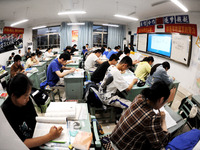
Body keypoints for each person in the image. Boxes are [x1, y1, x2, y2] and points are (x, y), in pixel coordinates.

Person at [1, 73, 63, 149]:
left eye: (28, 95)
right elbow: (22, 143)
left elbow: (35, 121)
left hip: (35, 137)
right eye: (25, 96)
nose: (28, 99)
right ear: (14, 96)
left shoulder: (26, 101)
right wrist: (50, 136)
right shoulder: (5, 113)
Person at [110, 81, 176, 150]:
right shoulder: (151, 118)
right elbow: (161, 143)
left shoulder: (139, 98)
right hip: (123, 147)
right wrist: (163, 120)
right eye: (164, 102)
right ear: (161, 99)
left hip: (115, 139)